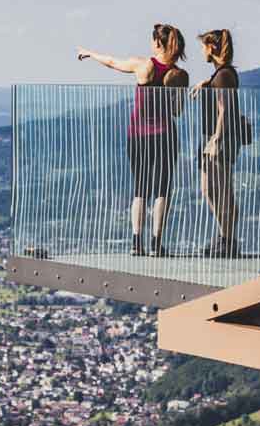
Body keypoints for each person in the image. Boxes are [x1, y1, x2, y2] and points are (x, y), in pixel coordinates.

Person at [76, 24, 187, 256]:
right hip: (165, 135)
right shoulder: (178, 74)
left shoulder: (143, 65)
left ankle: (137, 243)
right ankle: (157, 244)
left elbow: (112, 62)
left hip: (138, 136)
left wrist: (90, 53)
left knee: (140, 189)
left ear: (157, 43)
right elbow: (177, 111)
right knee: (162, 190)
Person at [196, 28, 242, 257]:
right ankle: (226, 236)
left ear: (211, 47)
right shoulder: (222, 74)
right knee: (212, 189)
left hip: (220, 138)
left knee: (220, 190)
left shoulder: (224, 75)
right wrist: (206, 83)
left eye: (204, 46)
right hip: (217, 137)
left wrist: (216, 139)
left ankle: (228, 239)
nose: (202, 52)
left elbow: (224, 110)